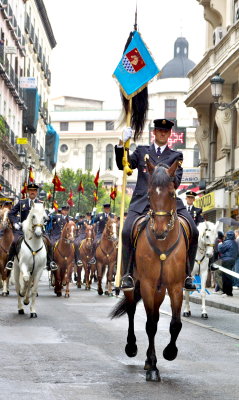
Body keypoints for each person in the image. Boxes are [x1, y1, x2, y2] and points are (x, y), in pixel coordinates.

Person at [115, 119, 199, 291]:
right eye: (159, 130)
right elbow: (123, 165)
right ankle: (128, 275)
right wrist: (121, 143)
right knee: (125, 231)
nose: (162, 134)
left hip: (167, 202)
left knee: (194, 230)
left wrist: (164, 176)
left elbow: (176, 181)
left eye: (166, 131)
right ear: (154, 132)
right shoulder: (141, 151)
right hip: (142, 201)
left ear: (169, 134)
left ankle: (187, 275)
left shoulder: (176, 156)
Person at [5, 183, 57, 271]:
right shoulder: (22, 202)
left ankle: (50, 262)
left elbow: (46, 217)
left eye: (34, 191)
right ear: (28, 192)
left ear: (36, 192)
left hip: (37, 229)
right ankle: (10, 261)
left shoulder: (41, 204)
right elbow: (11, 213)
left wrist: (48, 215)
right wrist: (15, 223)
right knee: (14, 241)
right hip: (23, 230)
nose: (32, 192)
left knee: (49, 242)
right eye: (31, 190)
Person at [218, 230, 238, 296]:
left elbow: (220, 249)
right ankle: (228, 291)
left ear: (228, 235)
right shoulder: (235, 242)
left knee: (225, 276)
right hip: (233, 260)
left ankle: (227, 292)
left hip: (226, 260)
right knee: (228, 275)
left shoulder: (227, 242)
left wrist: (220, 244)